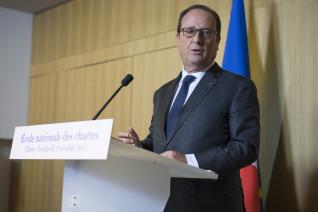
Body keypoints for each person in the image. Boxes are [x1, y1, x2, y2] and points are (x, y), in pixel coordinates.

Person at [118, 4, 259, 212]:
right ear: (178, 38)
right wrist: (140, 147)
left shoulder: (237, 87)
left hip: (213, 206)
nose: (197, 39)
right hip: (162, 203)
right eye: (189, 31)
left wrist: (189, 160)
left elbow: (246, 147)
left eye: (206, 33)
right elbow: (161, 144)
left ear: (218, 41)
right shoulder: (162, 93)